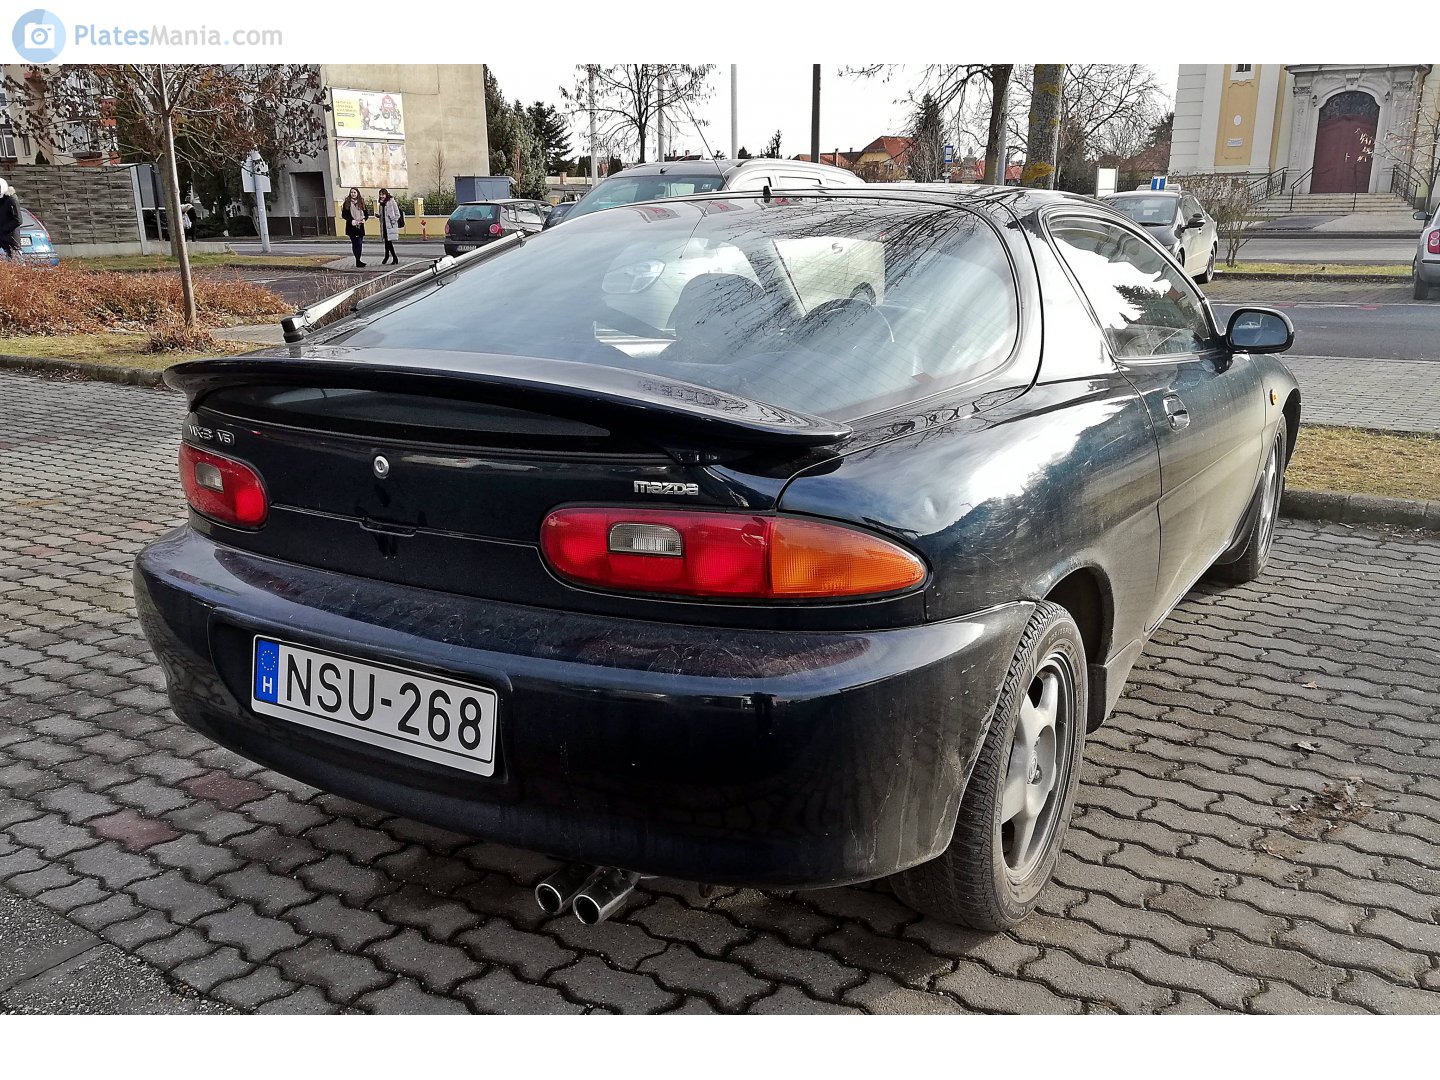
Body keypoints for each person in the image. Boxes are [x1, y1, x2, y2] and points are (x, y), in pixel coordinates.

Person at [341, 188, 369, 267]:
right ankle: (358, 261)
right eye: (351, 192)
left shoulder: (361, 202)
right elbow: (344, 215)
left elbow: (366, 213)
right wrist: (351, 220)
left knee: (359, 243)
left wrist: (364, 219)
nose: (353, 194)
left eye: (354, 192)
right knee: (355, 244)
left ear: (357, 193)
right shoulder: (347, 202)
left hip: (360, 225)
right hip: (351, 226)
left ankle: (358, 260)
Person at [377, 187, 403, 266]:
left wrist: (393, 220)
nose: (382, 196)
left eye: (383, 194)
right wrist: (379, 216)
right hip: (384, 225)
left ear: (386, 194)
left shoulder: (391, 202)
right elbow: (383, 215)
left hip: (390, 225)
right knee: (386, 242)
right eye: (380, 194)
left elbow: (397, 214)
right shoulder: (381, 204)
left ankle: (393, 257)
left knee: (388, 242)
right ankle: (388, 256)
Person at [0, 178, 22, 261]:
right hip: (2, 239)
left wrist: (4, 229)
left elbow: (18, 220)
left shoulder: (11, 200)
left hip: (11, 239)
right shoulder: (1, 200)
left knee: (15, 262)